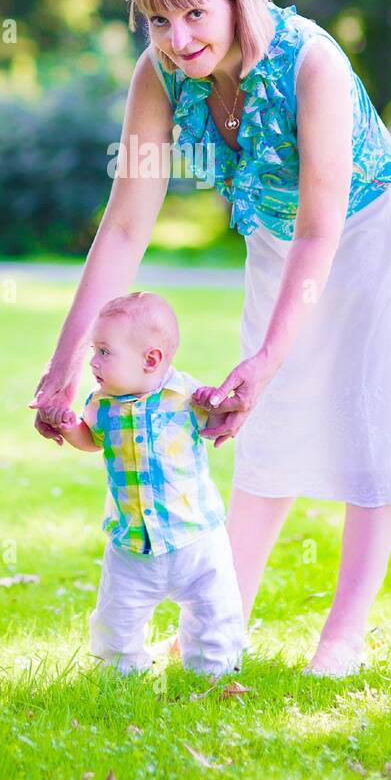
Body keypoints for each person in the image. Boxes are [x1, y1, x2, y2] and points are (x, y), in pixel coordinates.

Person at [30, 0, 391, 677]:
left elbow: (323, 226)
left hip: (374, 229)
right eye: (159, 19)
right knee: (263, 428)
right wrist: (62, 366)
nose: (179, 38)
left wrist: (269, 355)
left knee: (375, 416)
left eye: (195, 14)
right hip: (282, 240)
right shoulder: (161, 74)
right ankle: (222, 619)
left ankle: (343, 636)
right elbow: (123, 228)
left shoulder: (312, 63)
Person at [47, 290, 246, 677]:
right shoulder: (101, 403)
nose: (93, 361)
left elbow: (219, 419)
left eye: (104, 351)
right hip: (132, 543)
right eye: (94, 350)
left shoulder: (187, 397)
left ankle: (214, 673)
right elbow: (93, 439)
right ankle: (120, 677)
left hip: (196, 538)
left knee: (215, 610)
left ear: (150, 359)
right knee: (115, 620)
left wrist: (215, 403)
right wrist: (72, 428)